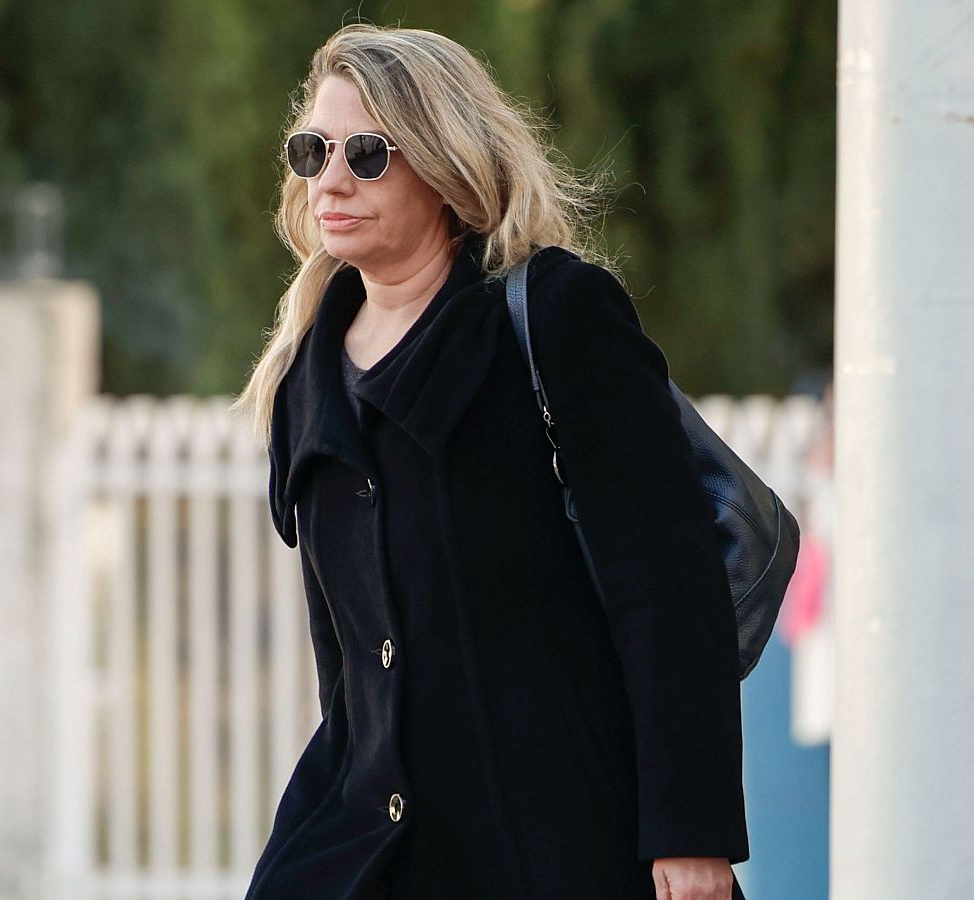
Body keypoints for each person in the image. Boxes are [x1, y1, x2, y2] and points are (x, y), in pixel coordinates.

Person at [230, 23, 750, 900]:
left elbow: (668, 585)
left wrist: (689, 833)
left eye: (366, 152)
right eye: (312, 150)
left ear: (445, 164)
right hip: (366, 848)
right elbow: (349, 671)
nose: (332, 180)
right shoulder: (300, 379)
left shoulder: (555, 319)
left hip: (561, 841)